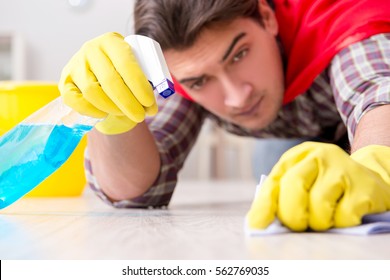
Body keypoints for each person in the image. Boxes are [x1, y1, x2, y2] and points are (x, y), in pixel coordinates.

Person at [59, 0, 390, 232]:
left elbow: (377, 92)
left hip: (360, 129)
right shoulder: (184, 69)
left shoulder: (341, 16)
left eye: (240, 54)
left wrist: (376, 164)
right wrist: (110, 117)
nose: (236, 96)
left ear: (266, 16)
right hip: (294, 139)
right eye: (199, 81)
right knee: (277, 167)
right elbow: (138, 190)